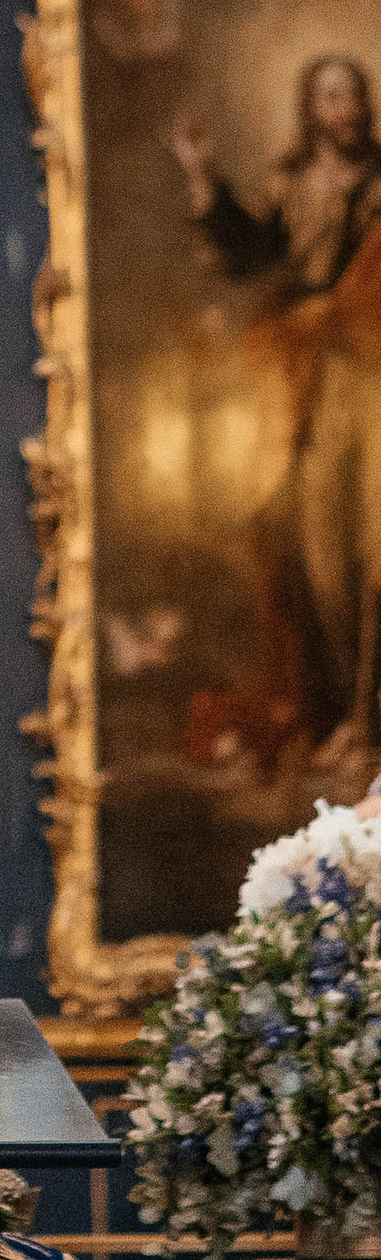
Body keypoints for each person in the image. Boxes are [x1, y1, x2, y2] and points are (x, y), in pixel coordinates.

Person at [173, 52, 381, 757]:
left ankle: (368, 715)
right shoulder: (293, 183)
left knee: (377, 545)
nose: (342, 110)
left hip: (375, 369)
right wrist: (202, 175)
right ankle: (335, 711)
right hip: (309, 373)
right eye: (328, 97)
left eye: (352, 96)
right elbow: (252, 254)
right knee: (320, 549)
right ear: (310, 108)